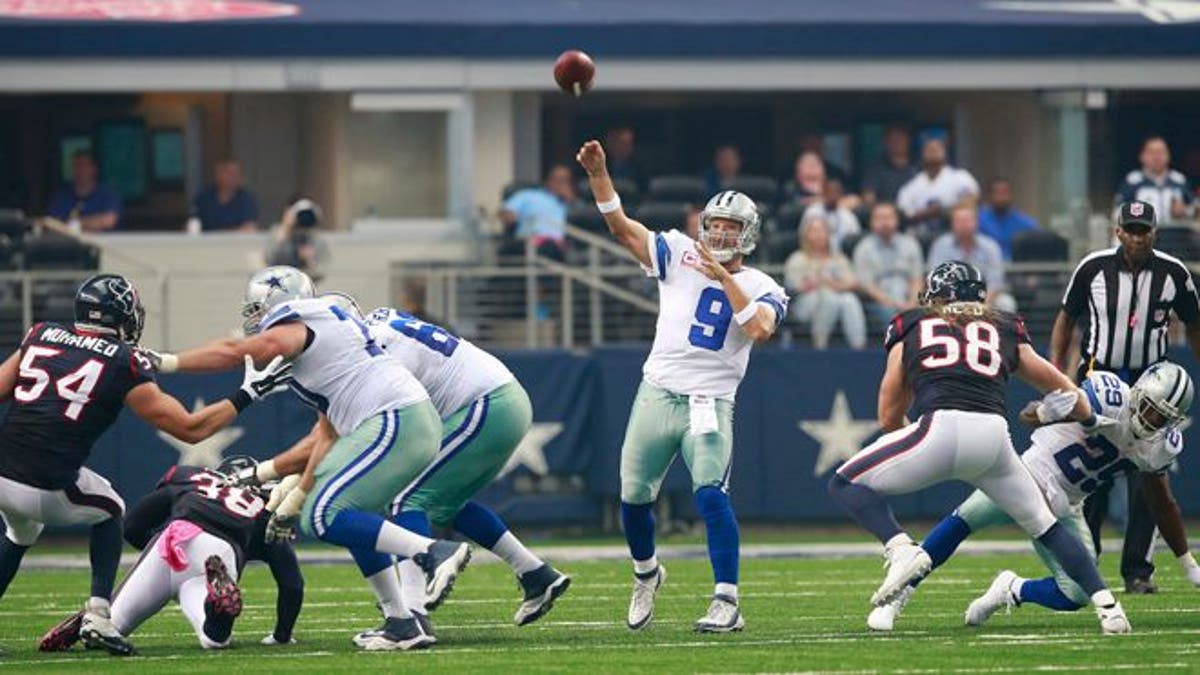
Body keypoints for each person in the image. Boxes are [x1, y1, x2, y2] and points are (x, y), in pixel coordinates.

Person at [142, 266, 472, 651]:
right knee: (347, 514)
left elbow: (237, 351)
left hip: (396, 418)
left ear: (280, 303)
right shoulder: (327, 355)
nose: (253, 317)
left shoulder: (302, 322)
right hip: (404, 421)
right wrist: (294, 497)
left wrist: (166, 362)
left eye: (257, 307)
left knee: (324, 514)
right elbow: (326, 436)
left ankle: (434, 551)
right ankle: (401, 622)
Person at [827, 260, 1131, 634]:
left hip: (938, 428)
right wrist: (1088, 420)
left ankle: (900, 547)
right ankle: (1109, 609)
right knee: (1047, 526)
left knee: (844, 483)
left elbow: (889, 414)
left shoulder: (911, 323)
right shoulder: (1005, 325)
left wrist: (916, 449)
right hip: (993, 438)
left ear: (935, 296)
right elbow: (1063, 391)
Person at [0, 274, 291, 656]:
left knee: (21, 533)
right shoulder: (124, 361)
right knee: (110, 510)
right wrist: (247, 394)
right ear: (122, 315)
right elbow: (190, 428)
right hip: (48, 482)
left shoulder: (39, 334)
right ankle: (99, 614)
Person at [577, 139, 787, 633]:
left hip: (710, 403)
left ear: (748, 234)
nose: (718, 234)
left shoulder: (762, 284)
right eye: (713, 225)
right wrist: (599, 176)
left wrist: (723, 277)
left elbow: (758, 329)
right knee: (632, 497)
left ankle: (726, 600)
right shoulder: (677, 252)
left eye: (729, 227)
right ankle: (647, 573)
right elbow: (620, 228)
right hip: (658, 391)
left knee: (711, 494)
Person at [869, 365, 1199, 631]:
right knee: (963, 521)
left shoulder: (1159, 447)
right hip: (1025, 478)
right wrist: (1046, 412)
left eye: (1162, 417)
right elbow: (1027, 416)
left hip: (1064, 506)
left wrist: (1188, 564)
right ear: (1137, 393)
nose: (1151, 420)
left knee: (1078, 592)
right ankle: (897, 596)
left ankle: (1010, 589)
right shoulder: (1106, 395)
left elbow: (1162, 504)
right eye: (1149, 409)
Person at [325, 295, 571, 633]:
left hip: (486, 404)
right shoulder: (383, 325)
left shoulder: (377, 348)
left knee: (405, 497)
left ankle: (412, 613)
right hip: (500, 399)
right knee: (444, 504)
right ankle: (536, 574)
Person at [1049, 199, 1200, 594]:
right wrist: (1055, 371)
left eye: (1143, 230)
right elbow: (1067, 315)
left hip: (1151, 388)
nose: (1137, 237)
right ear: (1117, 231)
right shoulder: (1093, 267)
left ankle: (1138, 570)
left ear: (1154, 232)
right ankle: (1089, 561)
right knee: (1093, 474)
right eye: (1130, 230)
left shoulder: (1174, 273)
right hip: (1100, 379)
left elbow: (1194, 322)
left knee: (1147, 476)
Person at [38, 458, 304, 652]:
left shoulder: (190, 479)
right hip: (218, 552)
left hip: (172, 541)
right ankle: (216, 602)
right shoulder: (263, 509)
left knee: (110, 629)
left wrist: (160, 561)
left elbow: (132, 526)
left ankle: (88, 619)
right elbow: (292, 583)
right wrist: (281, 636)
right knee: (214, 639)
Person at [784, 215, 866, 350]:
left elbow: (852, 283)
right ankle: (820, 346)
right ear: (806, 235)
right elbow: (793, 287)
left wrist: (827, 283)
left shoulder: (838, 258)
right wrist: (824, 284)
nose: (818, 235)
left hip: (836, 300)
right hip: (804, 304)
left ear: (828, 235)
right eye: (814, 231)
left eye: (822, 231)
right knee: (828, 297)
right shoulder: (797, 259)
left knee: (849, 299)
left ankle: (859, 346)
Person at [927, 204, 1014, 311]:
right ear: (952, 224)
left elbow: (995, 282)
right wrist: (956, 303)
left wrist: (981, 303)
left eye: (967, 220)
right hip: (949, 298)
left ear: (976, 222)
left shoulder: (991, 246)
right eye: (959, 221)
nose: (964, 225)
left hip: (985, 298)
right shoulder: (941, 245)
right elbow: (937, 280)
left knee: (1006, 303)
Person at [853, 203, 924, 327]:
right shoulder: (863, 248)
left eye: (888, 218)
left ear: (897, 220)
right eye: (879, 218)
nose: (884, 222)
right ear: (871, 222)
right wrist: (894, 304)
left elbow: (917, 279)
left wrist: (912, 304)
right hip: (879, 302)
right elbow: (867, 285)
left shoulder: (910, 244)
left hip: (908, 298)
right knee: (896, 318)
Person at [896, 139, 979, 235]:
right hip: (920, 236)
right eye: (929, 150)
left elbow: (970, 204)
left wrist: (943, 211)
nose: (933, 153)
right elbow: (906, 214)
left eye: (937, 149)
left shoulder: (960, 177)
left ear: (945, 153)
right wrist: (929, 213)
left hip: (953, 234)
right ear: (923, 154)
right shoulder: (913, 184)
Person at [500, 164, 575, 261]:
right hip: (530, 240)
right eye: (558, 180)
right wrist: (510, 217)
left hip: (557, 244)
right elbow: (506, 211)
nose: (562, 184)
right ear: (549, 181)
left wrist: (570, 200)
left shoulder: (568, 202)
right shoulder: (528, 195)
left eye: (565, 181)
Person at [1115, 137, 1192, 224]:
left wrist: (1184, 211)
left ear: (1169, 155)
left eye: (1161, 152)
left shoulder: (1179, 180)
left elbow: (1193, 209)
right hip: (1142, 234)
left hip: (1175, 234)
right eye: (1152, 152)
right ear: (1142, 156)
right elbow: (1117, 213)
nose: (1157, 157)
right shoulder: (1132, 181)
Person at [47, 150, 121, 232]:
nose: (81, 170)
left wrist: (76, 224)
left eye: (84, 165)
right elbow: (52, 223)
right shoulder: (61, 196)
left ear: (94, 168)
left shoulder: (107, 193)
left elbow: (109, 221)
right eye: (76, 166)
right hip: (67, 243)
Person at [264, 197, 331, 282]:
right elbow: (268, 261)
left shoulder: (316, 239)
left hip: (306, 286)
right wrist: (285, 231)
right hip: (283, 283)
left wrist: (310, 260)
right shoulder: (278, 232)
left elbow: (321, 273)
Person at [978, 177, 1038, 261]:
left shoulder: (1025, 223)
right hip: (986, 269)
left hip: (1016, 270)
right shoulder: (978, 221)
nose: (1001, 198)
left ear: (1011, 195)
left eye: (1005, 193)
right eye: (997, 193)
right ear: (990, 196)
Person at [191, 159, 259, 232]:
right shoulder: (204, 198)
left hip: (235, 242)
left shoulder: (246, 199)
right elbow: (192, 225)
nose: (234, 177)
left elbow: (249, 228)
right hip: (206, 242)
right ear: (218, 174)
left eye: (236, 173)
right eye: (229, 173)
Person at [863, 124, 918, 208]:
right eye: (893, 140)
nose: (897, 143)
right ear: (885, 142)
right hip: (885, 216)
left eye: (900, 139)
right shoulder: (875, 169)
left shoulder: (919, 167)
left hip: (916, 215)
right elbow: (869, 198)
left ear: (908, 140)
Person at [801, 177, 861, 252]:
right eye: (829, 192)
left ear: (841, 195)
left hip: (840, 257)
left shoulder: (849, 217)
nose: (832, 196)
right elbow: (802, 237)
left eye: (835, 192)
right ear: (823, 192)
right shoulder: (811, 212)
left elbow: (855, 242)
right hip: (813, 254)